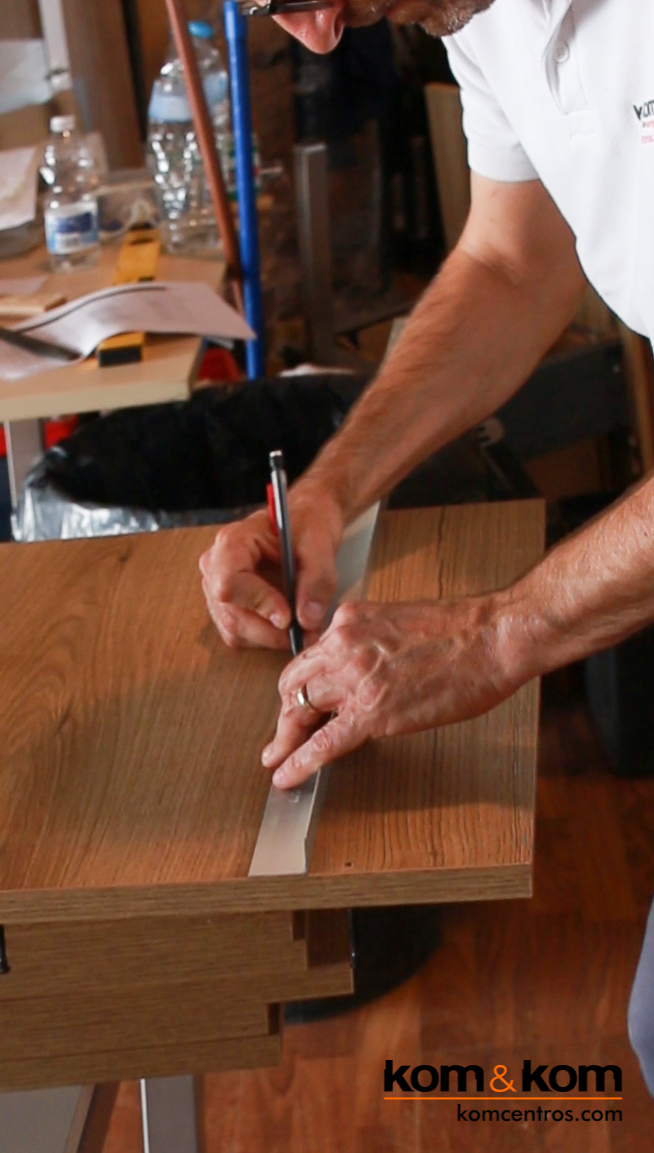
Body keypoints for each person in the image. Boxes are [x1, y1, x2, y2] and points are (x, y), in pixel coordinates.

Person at [198, 0, 654, 1094]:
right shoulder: (475, 19)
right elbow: (510, 259)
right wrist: (327, 494)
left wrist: (498, 633)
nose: (314, 38)